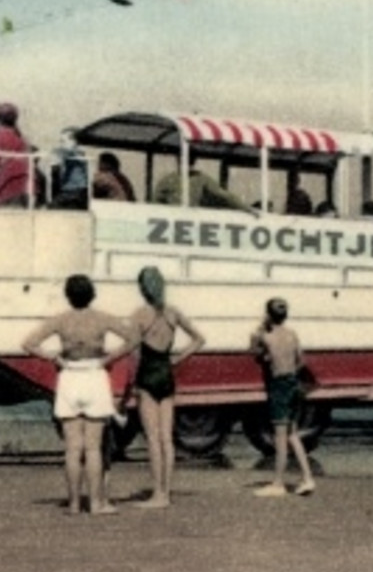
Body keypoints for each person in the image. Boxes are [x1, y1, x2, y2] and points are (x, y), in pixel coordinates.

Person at [21, 275, 136, 516]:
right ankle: (96, 503)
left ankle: (73, 504)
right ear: (91, 294)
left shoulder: (61, 321)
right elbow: (134, 338)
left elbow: (29, 343)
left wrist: (54, 357)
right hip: (94, 374)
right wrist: (110, 357)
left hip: (70, 376)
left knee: (73, 448)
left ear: (68, 295)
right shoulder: (102, 318)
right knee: (93, 448)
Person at [129, 266, 206, 508]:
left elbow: (134, 353)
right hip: (166, 374)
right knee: (167, 438)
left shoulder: (139, 315)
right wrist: (178, 358)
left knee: (152, 439)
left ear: (142, 288)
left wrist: (131, 384)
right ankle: (167, 493)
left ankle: (157, 494)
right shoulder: (173, 313)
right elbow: (199, 339)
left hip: (147, 375)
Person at [250, 297, 315, 497]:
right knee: (292, 434)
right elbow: (301, 361)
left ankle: (278, 483)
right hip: (294, 384)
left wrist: (260, 330)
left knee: (280, 437)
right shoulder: (292, 335)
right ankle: (307, 478)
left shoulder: (265, 337)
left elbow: (255, 355)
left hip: (278, 386)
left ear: (268, 314)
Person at [151, 159, 249, 210]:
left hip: (193, 220)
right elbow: (155, 202)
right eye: (184, 160)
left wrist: (247, 209)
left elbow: (223, 194)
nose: (187, 164)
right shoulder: (168, 180)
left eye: (190, 161)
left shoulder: (201, 178)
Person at [48, 128, 90, 210]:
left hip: (75, 191)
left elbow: (64, 152)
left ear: (74, 141)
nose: (61, 144)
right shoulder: (73, 152)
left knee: (52, 209)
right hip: (72, 190)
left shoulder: (77, 152)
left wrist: (54, 153)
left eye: (63, 141)